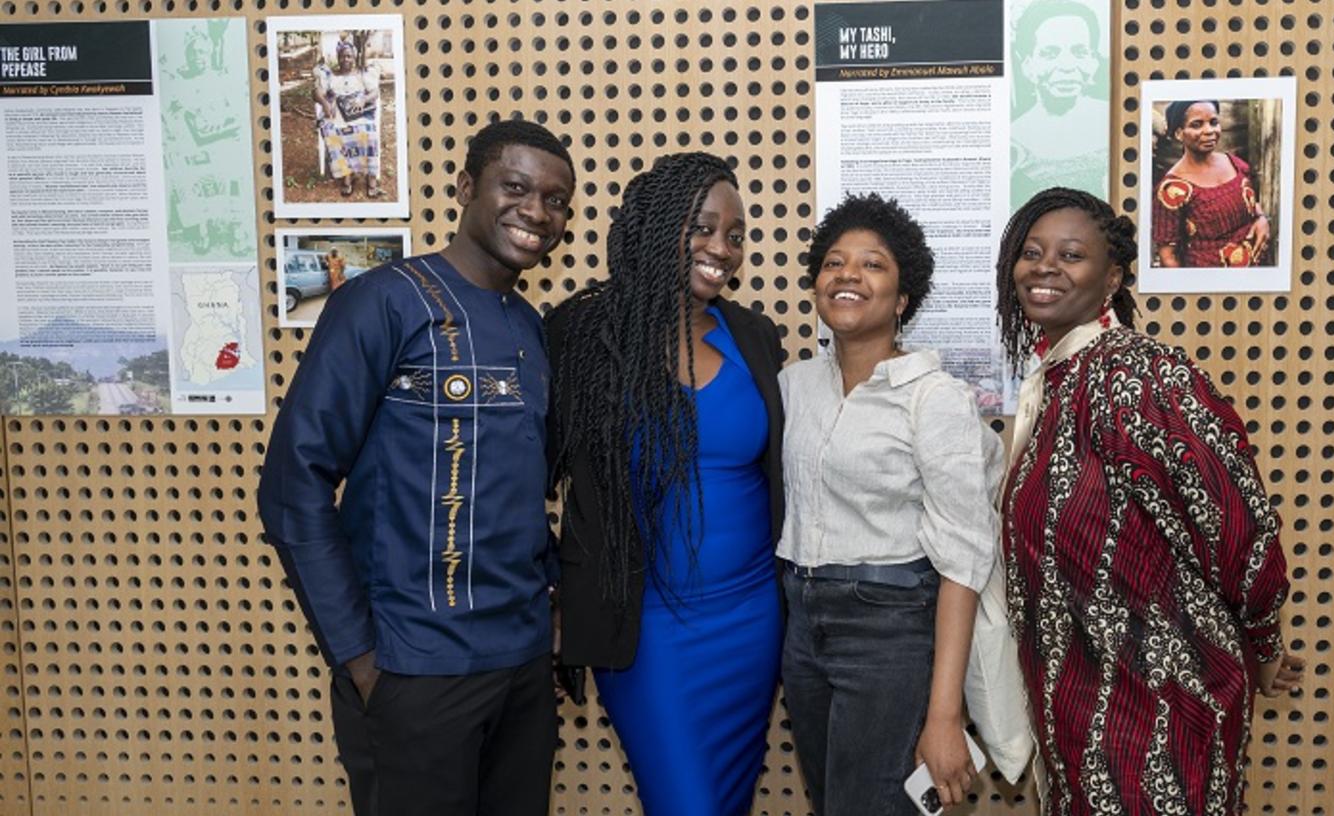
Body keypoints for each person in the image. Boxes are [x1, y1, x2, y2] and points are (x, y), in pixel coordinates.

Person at [257, 119, 575, 816]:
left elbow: (515, 492)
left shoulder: (528, 327)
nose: (536, 212)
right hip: (414, 669)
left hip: (519, 670)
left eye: (556, 201)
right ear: (466, 188)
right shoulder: (382, 303)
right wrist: (362, 660)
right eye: (515, 187)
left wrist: (549, 609)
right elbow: (292, 486)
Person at [995, 187, 1304, 815]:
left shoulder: (1138, 375)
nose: (1045, 266)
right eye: (1031, 252)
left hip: (1160, 712)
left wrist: (1263, 642)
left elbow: (1236, 523)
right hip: (1084, 711)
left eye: (1071, 254)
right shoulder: (1056, 383)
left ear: (1112, 277)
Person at [545, 151, 786, 816]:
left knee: (727, 800)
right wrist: (552, 587)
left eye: (736, 235)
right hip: (644, 630)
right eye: (702, 227)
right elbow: (524, 475)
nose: (722, 248)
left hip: (751, 618)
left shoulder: (754, 337)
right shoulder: (585, 335)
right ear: (656, 226)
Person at [778, 194, 1002, 815]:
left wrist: (943, 715)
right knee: (834, 804)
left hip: (889, 628)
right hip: (801, 624)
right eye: (834, 262)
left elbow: (963, 561)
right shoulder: (794, 386)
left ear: (904, 299)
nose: (847, 274)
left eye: (873, 265)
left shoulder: (936, 400)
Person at [1009, 0, 1111, 203]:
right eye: (1049, 53)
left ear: (1094, 60)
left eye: (1080, 51)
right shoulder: (1013, 138)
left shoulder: (1116, 121)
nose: (1067, 66)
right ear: (1027, 65)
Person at [1150, 100, 1271, 269]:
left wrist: (1261, 218)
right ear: (1179, 133)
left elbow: (1250, 201)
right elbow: (1168, 257)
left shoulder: (1234, 163)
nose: (1209, 131)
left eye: (1213, 122)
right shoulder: (1172, 190)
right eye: (1197, 125)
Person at [314, 37, 384, 198]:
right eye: (342, 56)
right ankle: (347, 176)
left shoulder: (361, 74)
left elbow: (375, 92)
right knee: (333, 132)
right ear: (338, 58)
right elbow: (316, 92)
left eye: (349, 56)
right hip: (337, 112)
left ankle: (371, 179)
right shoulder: (331, 75)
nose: (346, 59)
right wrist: (325, 103)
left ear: (354, 58)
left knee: (370, 133)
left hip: (358, 111)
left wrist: (363, 99)